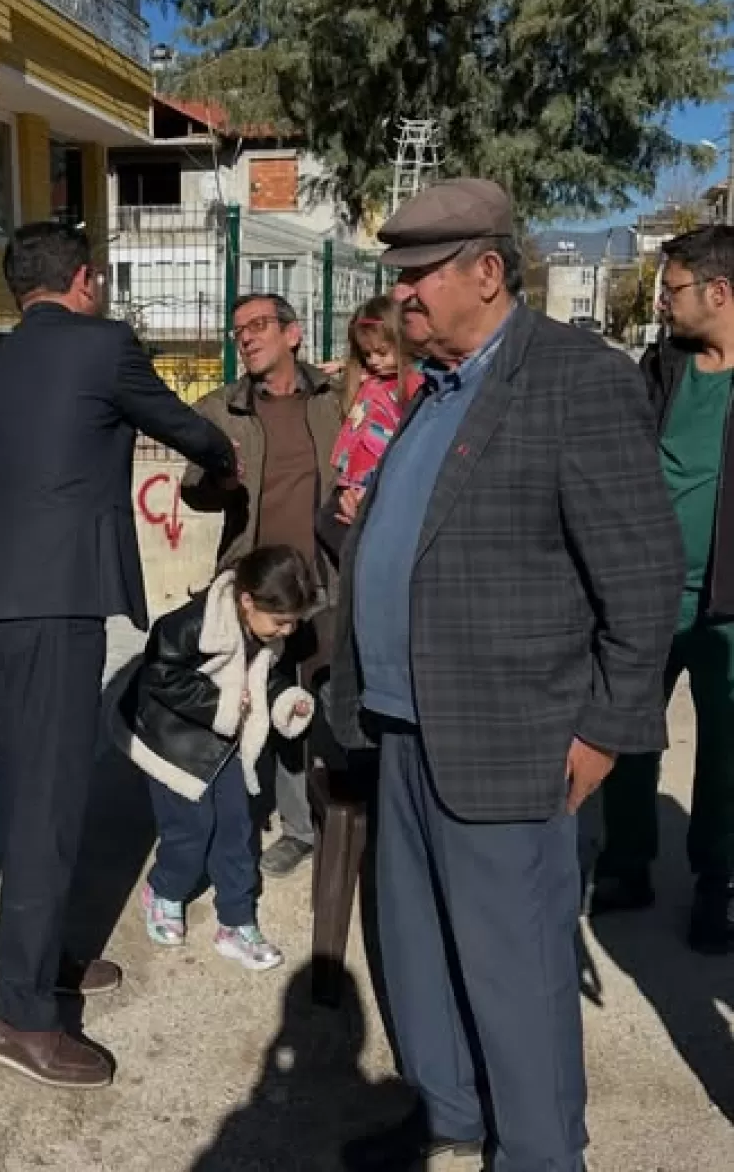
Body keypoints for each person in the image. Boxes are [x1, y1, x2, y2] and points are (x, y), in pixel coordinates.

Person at [329, 178, 684, 1172]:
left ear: (486, 273)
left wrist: (606, 730)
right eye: (396, 280)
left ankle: (535, 1151)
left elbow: (643, 574)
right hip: (401, 729)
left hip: (507, 734)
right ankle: (452, 1113)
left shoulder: (574, 380)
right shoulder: (431, 390)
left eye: (418, 279)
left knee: (514, 972)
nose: (402, 298)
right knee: (417, 948)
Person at [0, 221, 236, 1090]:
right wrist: (224, 462)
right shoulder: (104, 346)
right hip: (55, 605)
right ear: (83, 280)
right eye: (98, 277)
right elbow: (188, 429)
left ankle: (47, 954)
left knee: (37, 790)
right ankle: (19, 1013)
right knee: (50, 800)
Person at [592, 225, 734, 955]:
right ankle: (626, 863)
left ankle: (721, 882)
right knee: (627, 728)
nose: (662, 301)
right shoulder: (666, 364)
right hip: (648, 591)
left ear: (718, 291)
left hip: (728, 606)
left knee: (727, 751)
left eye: (672, 288)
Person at [181, 293, 343, 879]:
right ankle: (284, 828)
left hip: (327, 580)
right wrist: (219, 482)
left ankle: (348, 815)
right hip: (254, 589)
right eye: (238, 330)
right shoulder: (220, 409)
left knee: (325, 706)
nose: (246, 337)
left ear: (293, 334)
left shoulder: (337, 398)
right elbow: (192, 490)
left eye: (258, 326)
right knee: (254, 705)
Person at [115, 545, 316, 972]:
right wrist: (221, 702)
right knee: (190, 827)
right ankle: (164, 890)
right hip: (174, 742)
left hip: (225, 742)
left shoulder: (264, 631)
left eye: (293, 623)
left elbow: (268, 677)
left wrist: (286, 702)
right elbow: (161, 675)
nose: (286, 631)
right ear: (247, 601)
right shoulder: (193, 623)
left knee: (236, 827)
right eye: (280, 621)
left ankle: (236, 920)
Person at [317, 295, 422, 559]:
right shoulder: (370, 377)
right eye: (367, 354)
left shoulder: (411, 381)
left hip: (380, 477)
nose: (374, 360)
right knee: (327, 523)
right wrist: (343, 365)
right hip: (355, 474)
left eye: (382, 352)